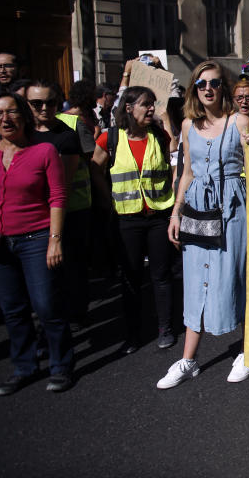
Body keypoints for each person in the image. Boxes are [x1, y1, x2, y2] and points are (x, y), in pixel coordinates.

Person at [0, 89, 73, 394]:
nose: (5, 118)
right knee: (12, 310)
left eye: (11, 111)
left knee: (46, 305)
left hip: (37, 238)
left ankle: (60, 366)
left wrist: (55, 239)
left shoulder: (44, 152)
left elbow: (57, 196)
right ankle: (24, 367)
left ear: (23, 116)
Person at [158, 61, 249, 389]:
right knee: (197, 277)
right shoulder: (187, 125)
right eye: (201, 84)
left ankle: (247, 350)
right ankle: (189, 360)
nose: (208, 89)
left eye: (214, 83)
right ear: (194, 89)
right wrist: (176, 212)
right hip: (198, 207)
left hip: (232, 207)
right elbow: (186, 172)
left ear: (223, 88)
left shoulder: (239, 121)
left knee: (235, 275)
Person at [91, 86, 177, 353]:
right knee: (131, 278)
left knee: (161, 276)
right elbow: (95, 169)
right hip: (126, 219)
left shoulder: (159, 135)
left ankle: (165, 328)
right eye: (145, 104)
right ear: (128, 108)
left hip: (158, 216)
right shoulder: (111, 138)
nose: (150, 108)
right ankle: (133, 334)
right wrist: (108, 200)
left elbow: (174, 160)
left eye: (152, 103)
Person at [27, 81, 92, 328]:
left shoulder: (66, 134)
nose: (44, 108)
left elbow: (60, 184)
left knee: (70, 269)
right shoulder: (21, 134)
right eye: (36, 103)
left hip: (69, 212)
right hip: (33, 216)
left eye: (50, 102)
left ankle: (72, 316)